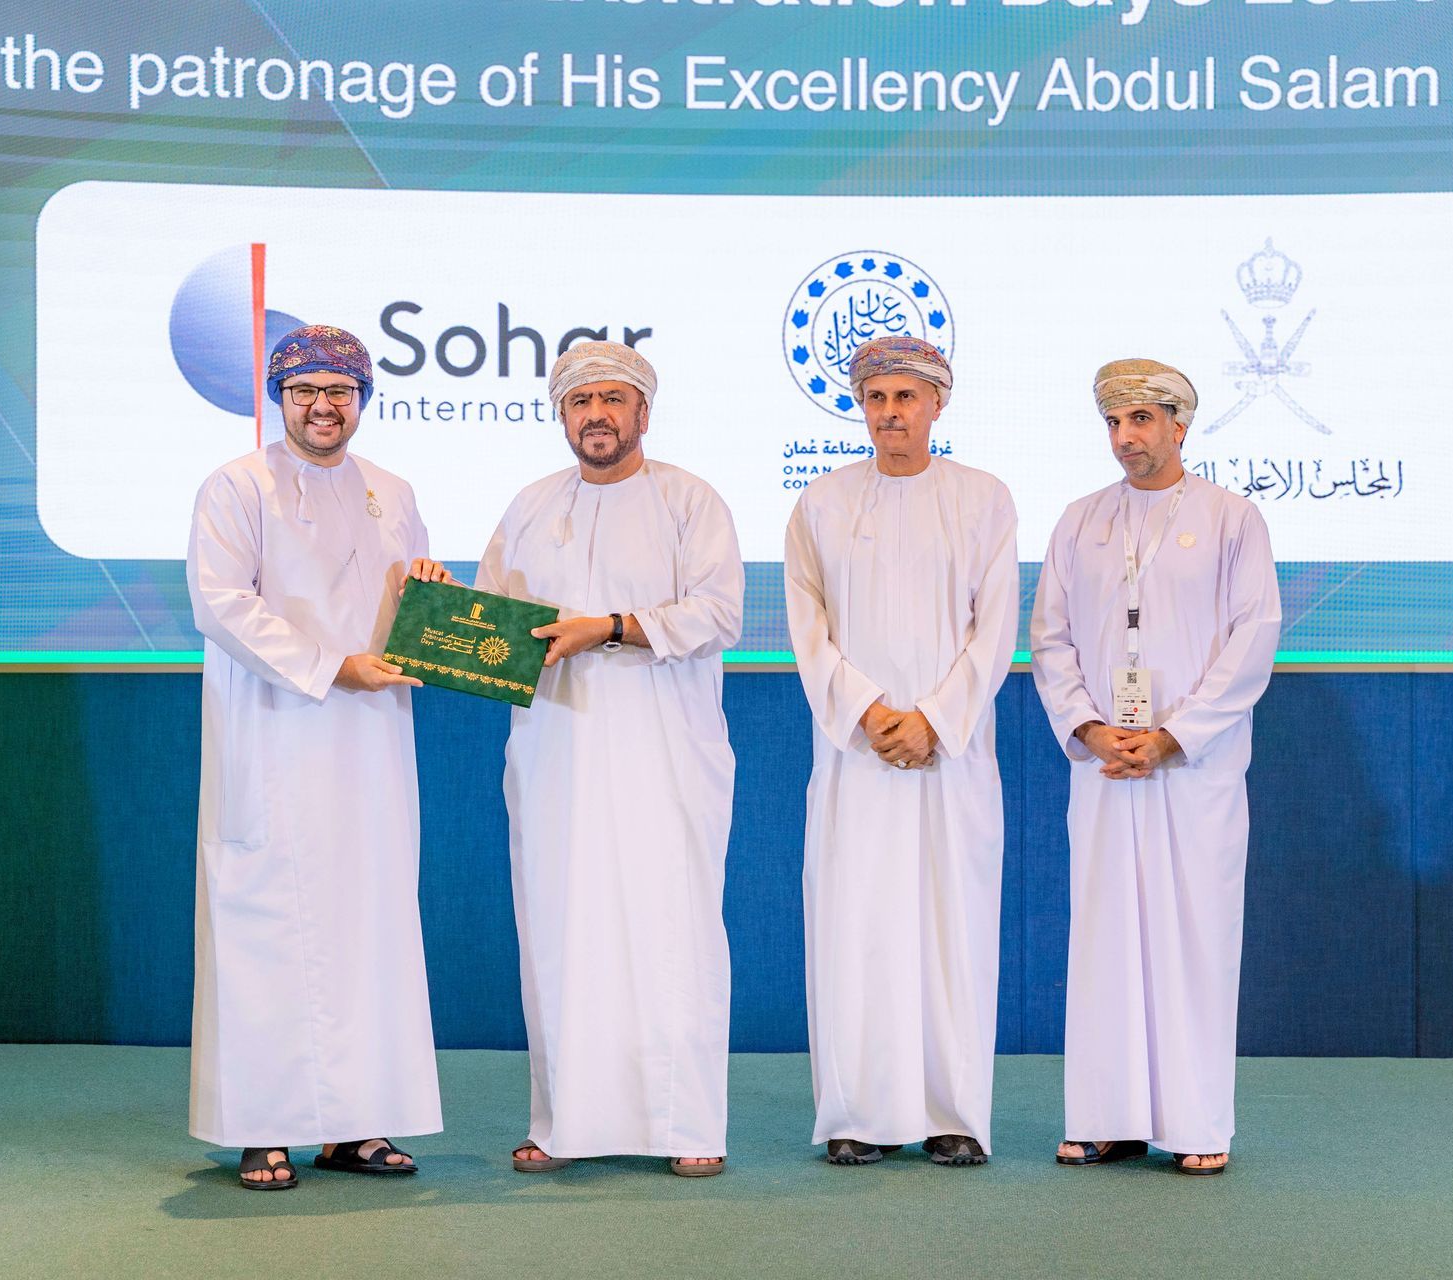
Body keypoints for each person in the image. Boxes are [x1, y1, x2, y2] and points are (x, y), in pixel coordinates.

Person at [418, 340, 741, 1177]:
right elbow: (492, 624)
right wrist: (436, 607)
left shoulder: (689, 500)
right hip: (556, 748)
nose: (596, 415)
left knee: (672, 927)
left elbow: (718, 613)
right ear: (561, 415)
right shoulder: (531, 506)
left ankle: (688, 1126)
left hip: (665, 748)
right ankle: (563, 1123)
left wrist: (611, 627)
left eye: (612, 399)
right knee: (561, 927)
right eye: (579, 401)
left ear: (643, 412)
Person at [187, 324, 444, 1189]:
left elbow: (402, 600)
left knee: (368, 920)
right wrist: (334, 667)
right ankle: (262, 1128)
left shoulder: (393, 492)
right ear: (280, 400)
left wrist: (429, 601)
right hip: (272, 731)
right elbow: (222, 604)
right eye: (304, 391)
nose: (322, 406)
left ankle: (354, 1127)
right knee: (267, 920)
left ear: (361, 399)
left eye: (339, 390)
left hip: (371, 743)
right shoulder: (236, 486)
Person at [1029, 358, 1281, 1176]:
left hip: (1194, 771)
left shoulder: (1232, 519)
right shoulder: (1080, 522)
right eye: (1114, 422)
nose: (1125, 437)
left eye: (1141, 419)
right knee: (1105, 936)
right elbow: (1051, 639)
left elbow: (1253, 639)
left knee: (1194, 937)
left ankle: (1196, 1122)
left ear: (1180, 425)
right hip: (1105, 766)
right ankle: (1107, 1118)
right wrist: (1088, 727)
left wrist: (1176, 735)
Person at [783, 336, 1018, 1168]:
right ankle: (857, 1113)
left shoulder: (983, 499)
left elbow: (996, 628)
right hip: (857, 755)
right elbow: (807, 625)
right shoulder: (821, 502)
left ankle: (953, 1114)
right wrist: (870, 713)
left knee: (952, 929)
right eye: (877, 398)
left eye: (906, 398)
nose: (891, 414)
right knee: (857, 927)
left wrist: (935, 720)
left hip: (951, 754)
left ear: (936, 404)